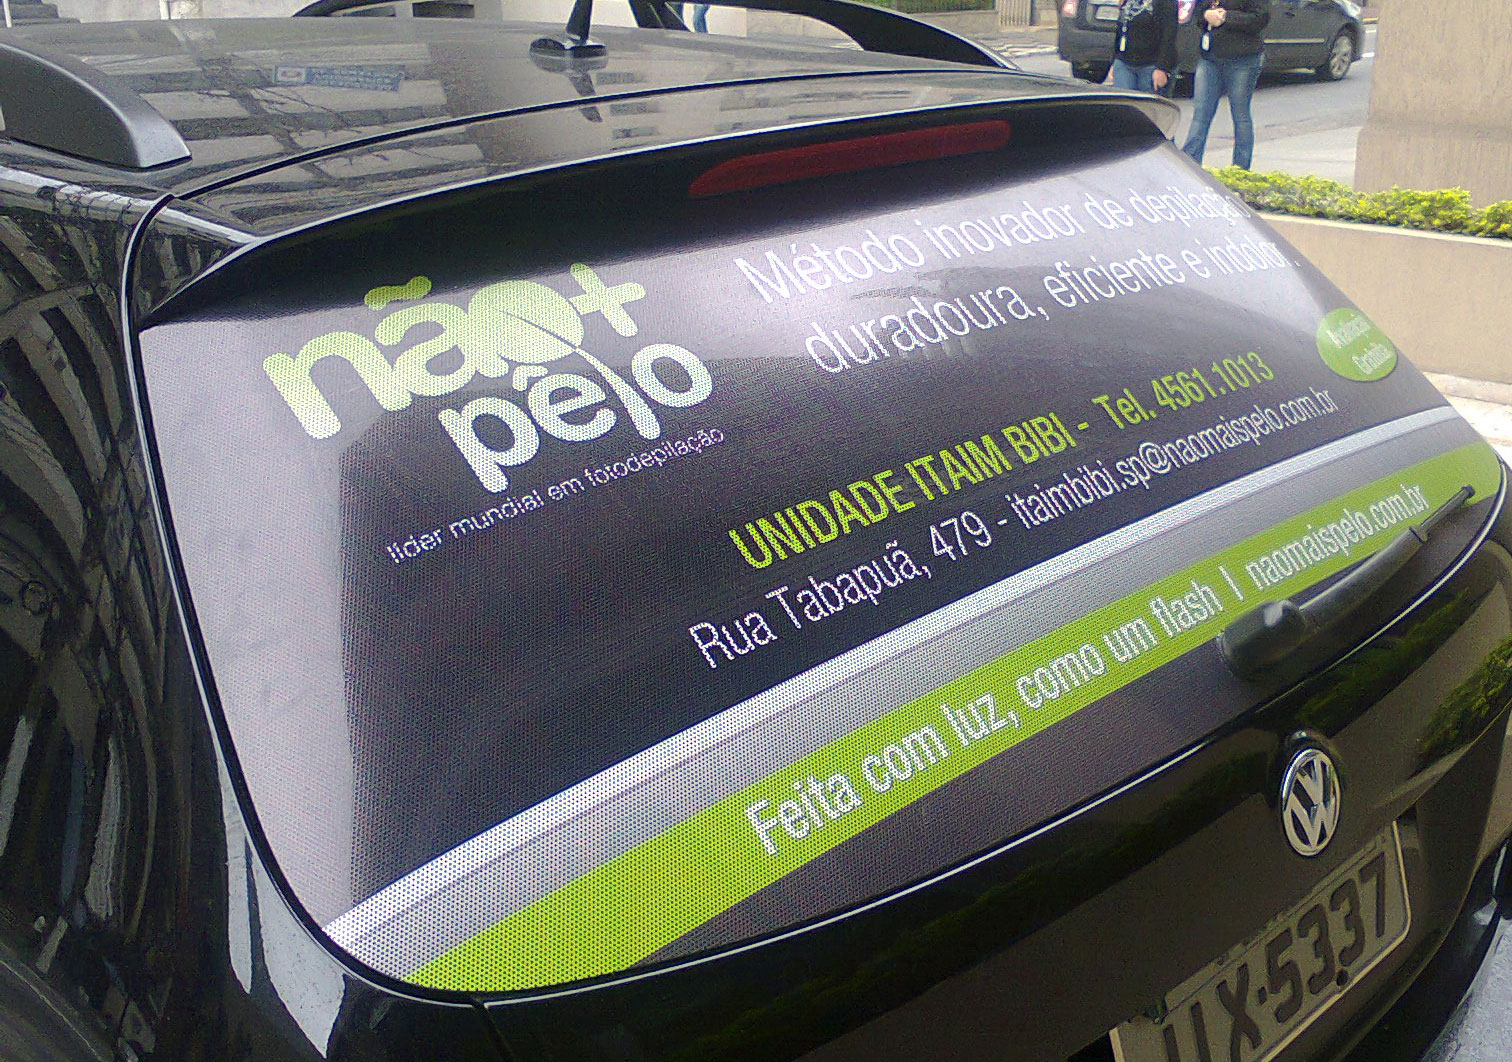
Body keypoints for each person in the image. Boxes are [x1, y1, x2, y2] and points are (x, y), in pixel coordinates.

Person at [1180, 0, 1271, 170]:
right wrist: (1205, 14)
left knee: (1240, 113)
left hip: (1243, 59)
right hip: (1209, 57)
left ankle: (1240, 170)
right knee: (1201, 113)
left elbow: (1260, 18)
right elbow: (1197, 10)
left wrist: (1226, 17)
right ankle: (1190, 166)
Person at [1109, 0, 1178, 95]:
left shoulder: (1165, 3)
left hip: (1151, 66)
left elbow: (1169, 36)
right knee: (1124, 101)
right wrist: (1114, 61)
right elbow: (1120, 31)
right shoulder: (1128, 2)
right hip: (1123, 62)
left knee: (1148, 103)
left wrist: (1162, 68)